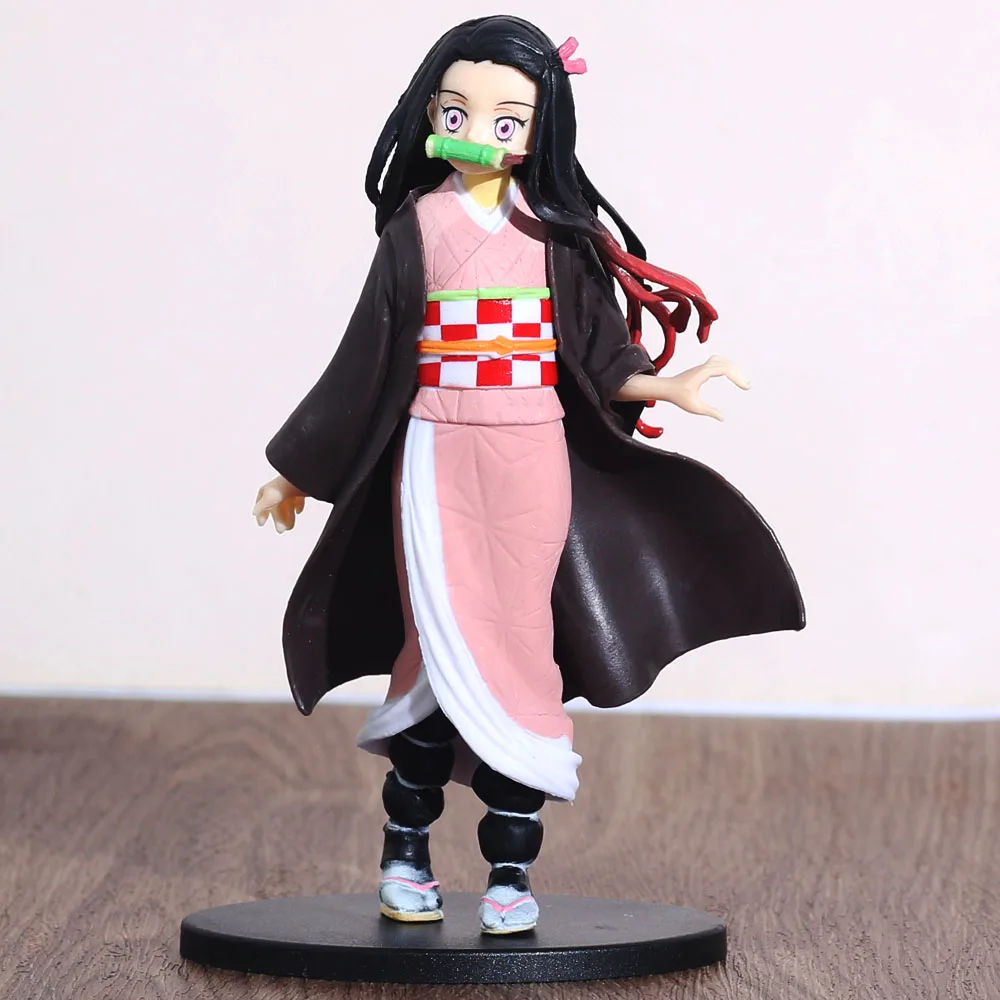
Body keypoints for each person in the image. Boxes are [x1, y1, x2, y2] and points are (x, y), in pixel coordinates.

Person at [253, 16, 804, 935]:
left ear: (540, 132)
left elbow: (598, 353)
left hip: (529, 455)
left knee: (515, 647)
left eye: (507, 119)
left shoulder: (557, 235)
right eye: (458, 111)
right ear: (431, 114)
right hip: (435, 452)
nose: (479, 132)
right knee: (435, 643)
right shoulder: (416, 228)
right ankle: (406, 852)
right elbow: (363, 362)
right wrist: (298, 468)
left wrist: (669, 384)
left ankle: (510, 871)